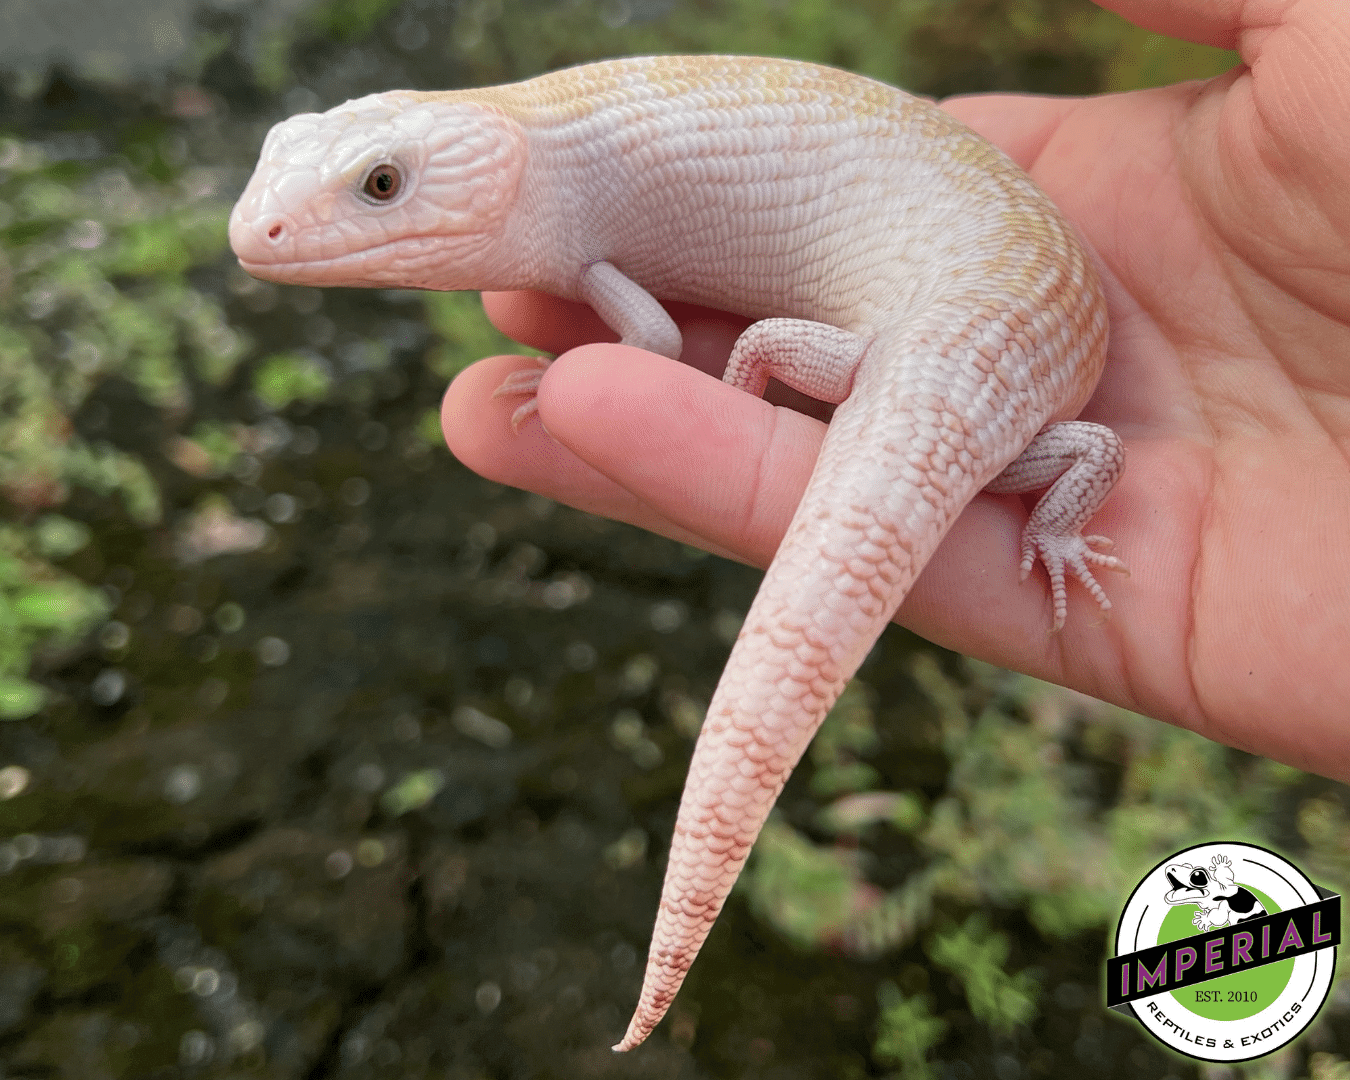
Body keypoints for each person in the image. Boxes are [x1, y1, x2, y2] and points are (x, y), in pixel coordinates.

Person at [441, 0, 1350, 781]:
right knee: (796, 367)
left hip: (914, 340)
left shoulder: (1003, 450)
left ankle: (740, 420)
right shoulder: (1022, 456)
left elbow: (1091, 449)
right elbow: (1095, 451)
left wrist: (746, 399)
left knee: (769, 359)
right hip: (962, 326)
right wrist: (1055, 535)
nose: (910, 474)